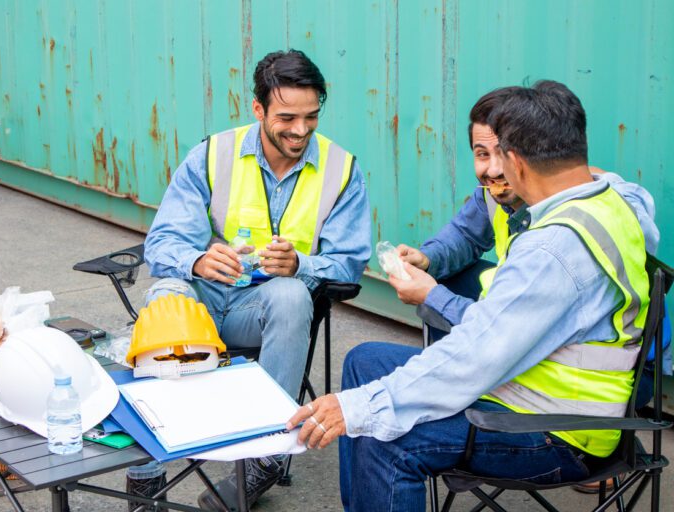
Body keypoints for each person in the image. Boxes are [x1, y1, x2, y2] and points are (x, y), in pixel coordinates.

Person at [287, 80, 651, 512]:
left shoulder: (553, 249)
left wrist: (364, 407)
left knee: (386, 436)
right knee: (365, 361)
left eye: (498, 155)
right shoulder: (606, 197)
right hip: (534, 383)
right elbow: (464, 245)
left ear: (515, 160)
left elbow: (474, 356)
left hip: (560, 428)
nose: (492, 170)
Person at [143, 49, 371, 511]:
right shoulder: (213, 154)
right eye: (287, 117)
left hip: (264, 311)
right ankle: (145, 470)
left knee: (290, 294)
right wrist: (199, 260)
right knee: (166, 291)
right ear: (258, 109)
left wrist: (302, 265)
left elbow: (349, 263)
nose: (300, 130)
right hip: (203, 302)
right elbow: (161, 243)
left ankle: (266, 455)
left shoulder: (341, 169)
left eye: (311, 117)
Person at [398, 87, 669, 416]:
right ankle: (456, 390)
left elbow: (502, 332)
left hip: (612, 370)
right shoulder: (496, 193)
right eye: (481, 154)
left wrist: (432, 296)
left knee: (416, 321)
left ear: (524, 156)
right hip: (540, 331)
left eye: (503, 154)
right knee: (449, 277)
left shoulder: (567, 226)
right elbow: (465, 235)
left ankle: (475, 409)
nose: (494, 170)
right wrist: (428, 259)